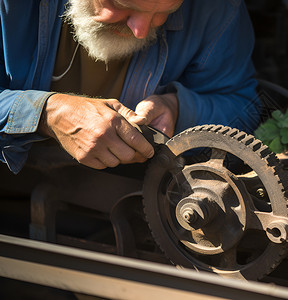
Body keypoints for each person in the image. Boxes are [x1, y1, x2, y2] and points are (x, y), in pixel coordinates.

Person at [0, 0, 260, 174]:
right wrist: (47, 114)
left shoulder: (215, 9)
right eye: (122, 5)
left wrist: (179, 108)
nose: (140, 30)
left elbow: (244, 109)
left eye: (164, 12)